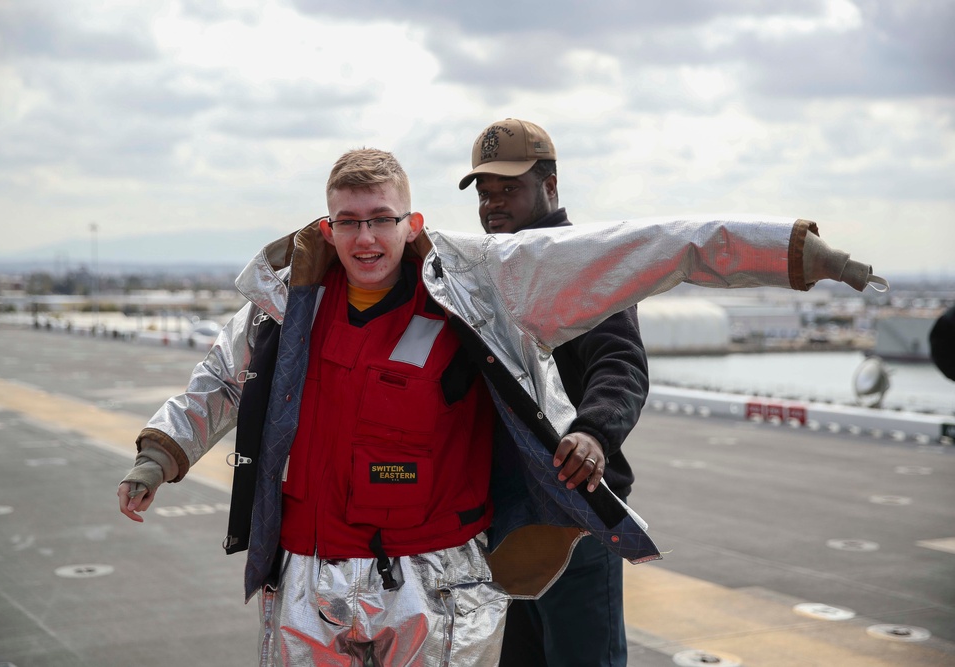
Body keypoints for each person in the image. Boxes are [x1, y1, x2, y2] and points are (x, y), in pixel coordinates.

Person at [117, 147, 884, 667]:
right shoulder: (287, 306)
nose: (365, 236)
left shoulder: (480, 285)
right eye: (348, 221)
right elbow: (219, 381)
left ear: (409, 222)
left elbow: (648, 248)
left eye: (380, 218)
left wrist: (789, 253)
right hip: (307, 580)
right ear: (327, 226)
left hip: (428, 586)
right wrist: (160, 455)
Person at [458, 118, 646, 667]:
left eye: (509, 189)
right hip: (509, 522)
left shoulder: (583, 265)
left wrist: (593, 432)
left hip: (574, 513)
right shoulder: (487, 269)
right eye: (485, 192)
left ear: (551, 186)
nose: (494, 204)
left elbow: (620, 362)